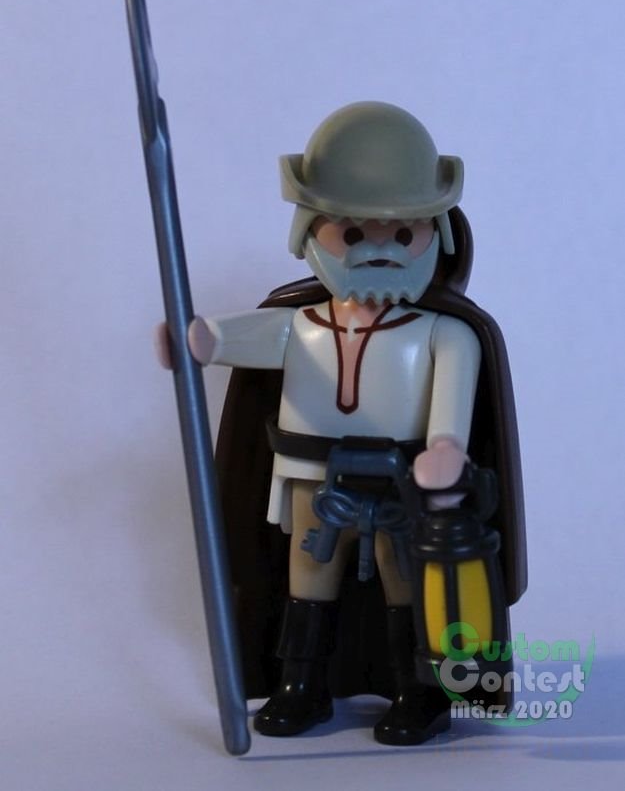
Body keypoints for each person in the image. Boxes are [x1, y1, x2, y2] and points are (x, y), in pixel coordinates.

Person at [156, 102, 526, 745]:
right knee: (309, 579)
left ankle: (419, 690)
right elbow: (232, 337)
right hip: (312, 478)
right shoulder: (299, 324)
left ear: (437, 233)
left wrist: (444, 451)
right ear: (308, 232)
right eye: (352, 233)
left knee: (406, 583)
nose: (378, 248)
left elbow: (451, 410)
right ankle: (301, 685)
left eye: (402, 233)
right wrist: (197, 340)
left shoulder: (446, 334)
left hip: (402, 486)